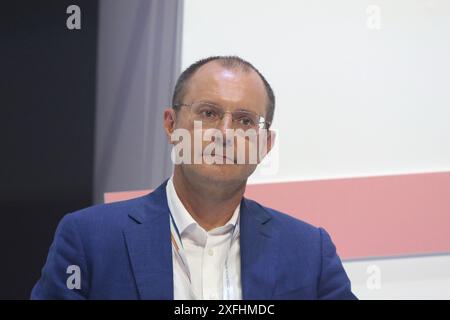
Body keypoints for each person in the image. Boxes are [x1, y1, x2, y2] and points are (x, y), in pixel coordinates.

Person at [31, 56, 356, 300]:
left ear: (265, 145)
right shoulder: (89, 239)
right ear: (172, 125)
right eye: (209, 113)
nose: (225, 134)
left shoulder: (309, 251)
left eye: (245, 121)